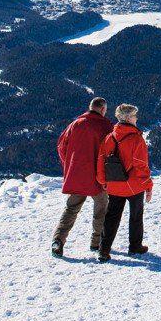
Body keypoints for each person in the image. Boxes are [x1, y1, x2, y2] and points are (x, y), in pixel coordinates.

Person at [52, 96, 114, 258]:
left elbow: (61, 146)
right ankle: (97, 243)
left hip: (77, 174)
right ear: (102, 109)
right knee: (101, 209)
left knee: (71, 209)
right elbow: (112, 151)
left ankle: (58, 241)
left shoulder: (75, 124)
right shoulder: (106, 125)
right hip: (97, 176)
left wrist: (70, 166)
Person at [96, 103, 154, 263]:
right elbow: (141, 165)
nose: (136, 118)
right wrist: (148, 185)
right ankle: (135, 246)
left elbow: (101, 161)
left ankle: (104, 250)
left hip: (114, 185)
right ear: (128, 118)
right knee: (136, 216)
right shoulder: (136, 139)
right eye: (135, 115)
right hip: (134, 186)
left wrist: (103, 181)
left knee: (111, 217)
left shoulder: (109, 138)